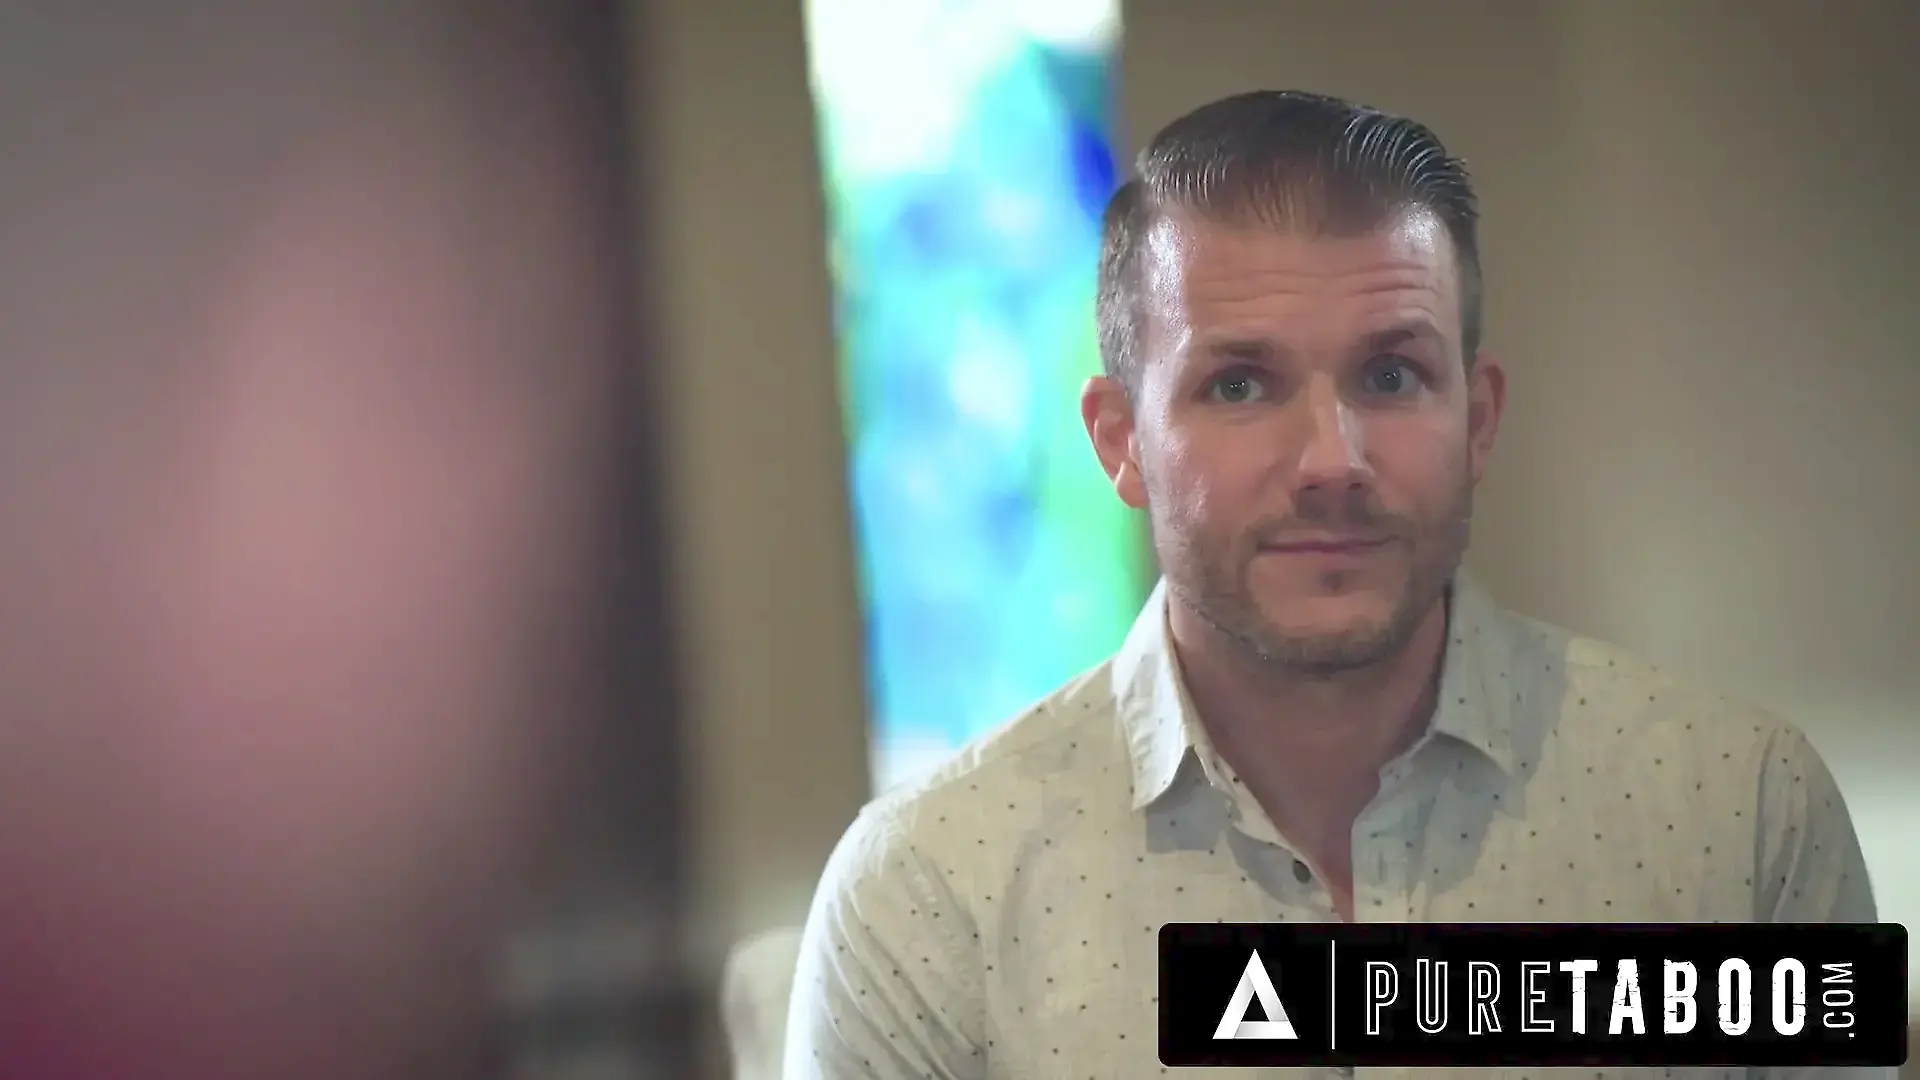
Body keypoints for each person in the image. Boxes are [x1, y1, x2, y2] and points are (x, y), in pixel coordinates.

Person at [782, 90, 1879, 1079]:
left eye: (1391, 374)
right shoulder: (929, 900)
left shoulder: (1741, 812)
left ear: (1478, 420)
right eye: (1240, 384)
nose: (1331, 461)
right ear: (1121, 442)